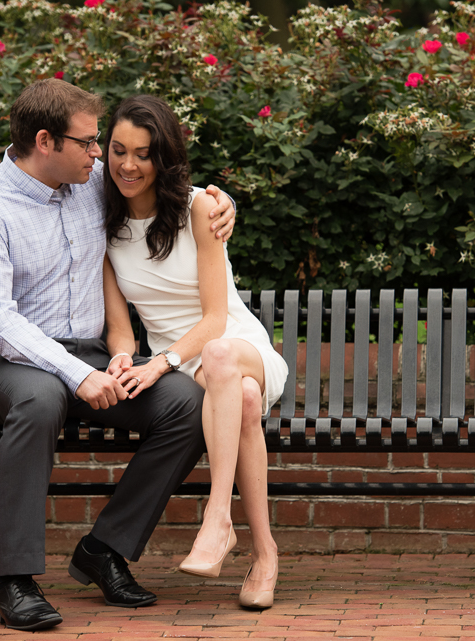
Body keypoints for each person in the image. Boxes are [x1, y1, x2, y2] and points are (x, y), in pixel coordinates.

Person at [0, 79, 236, 631]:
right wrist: (76, 373)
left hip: (90, 358)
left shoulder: (89, 182)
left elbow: (162, 181)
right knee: (37, 399)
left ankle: (104, 548)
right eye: (86, 142)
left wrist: (224, 202)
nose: (100, 153)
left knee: (186, 404)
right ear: (44, 141)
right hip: (4, 363)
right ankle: (14, 583)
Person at [100, 95, 288, 610]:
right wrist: (122, 356)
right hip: (193, 373)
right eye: (118, 150)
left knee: (229, 361)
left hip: (235, 346)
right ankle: (265, 554)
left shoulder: (199, 208)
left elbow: (214, 318)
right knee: (244, 402)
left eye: (143, 153)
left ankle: (217, 519)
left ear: (163, 158)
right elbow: (120, 328)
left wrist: (160, 362)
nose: (128, 164)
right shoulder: (106, 228)